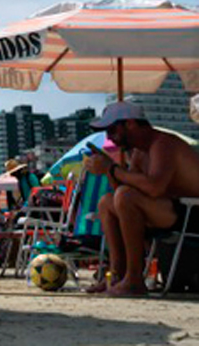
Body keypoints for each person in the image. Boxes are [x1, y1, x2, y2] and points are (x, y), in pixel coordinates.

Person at [84, 101, 199, 297]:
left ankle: (134, 279)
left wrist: (112, 169)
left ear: (130, 124)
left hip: (193, 214)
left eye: (112, 130)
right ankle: (117, 275)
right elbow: (123, 192)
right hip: (174, 211)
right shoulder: (138, 152)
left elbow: (154, 187)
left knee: (125, 197)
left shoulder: (163, 144)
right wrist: (108, 169)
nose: (109, 137)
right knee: (107, 202)